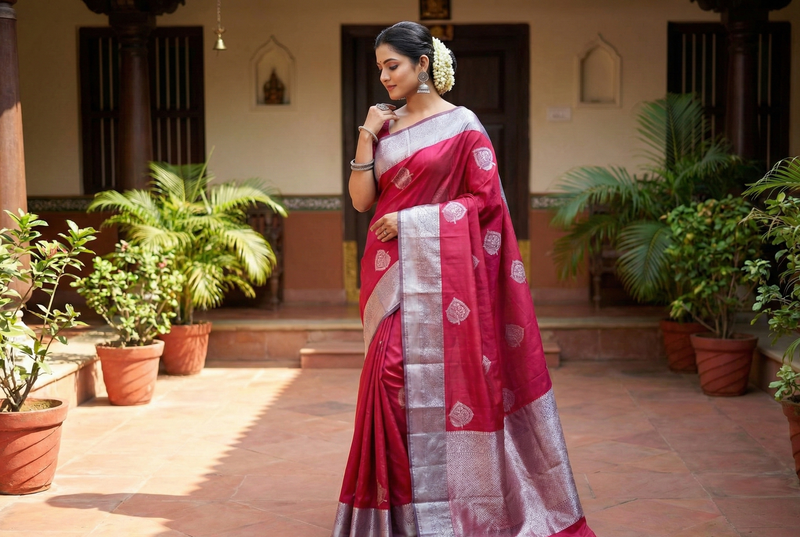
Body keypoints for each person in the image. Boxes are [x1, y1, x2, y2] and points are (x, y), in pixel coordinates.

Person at [333, 21, 596, 537]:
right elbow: (363, 201)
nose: (385, 77)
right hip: (390, 276)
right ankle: (398, 515)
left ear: (423, 64)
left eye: (394, 66)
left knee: (425, 386)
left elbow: (486, 202)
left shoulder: (464, 126)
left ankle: (449, 509)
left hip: (443, 275)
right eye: (379, 68)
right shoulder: (384, 127)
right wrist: (366, 132)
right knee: (387, 384)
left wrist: (413, 222)